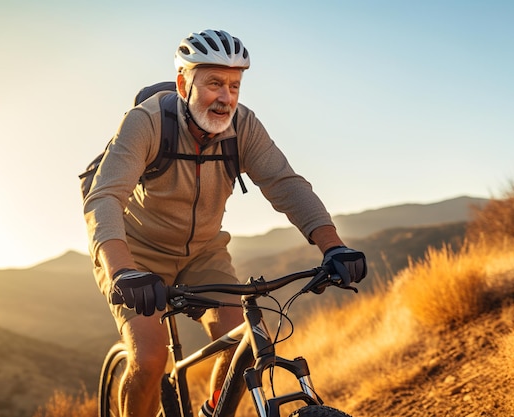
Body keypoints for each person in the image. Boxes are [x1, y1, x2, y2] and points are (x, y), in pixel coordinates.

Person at [83, 29, 367, 417]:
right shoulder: (146, 123)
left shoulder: (244, 127)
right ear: (184, 83)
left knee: (239, 341)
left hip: (204, 251)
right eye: (215, 83)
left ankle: (211, 412)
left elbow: (285, 184)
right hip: (137, 256)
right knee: (149, 359)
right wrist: (121, 270)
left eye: (235, 85)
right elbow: (105, 197)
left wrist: (334, 246)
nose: (226, 97)